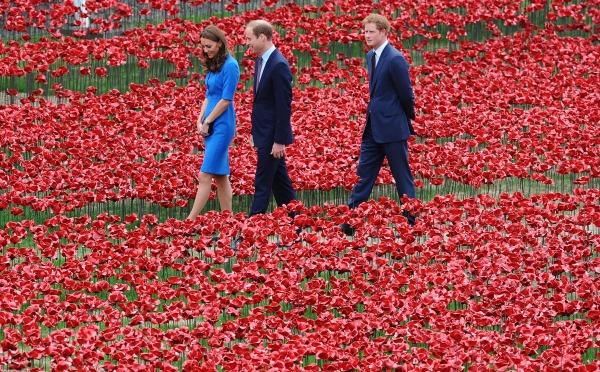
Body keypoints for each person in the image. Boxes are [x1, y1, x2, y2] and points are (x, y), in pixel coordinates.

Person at [341, 14, 416, 235]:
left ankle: (411, 221)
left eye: (372, 31)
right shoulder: (371, 56)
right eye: (365, 32)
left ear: (384, 32)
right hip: (374, 127)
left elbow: (406, 94)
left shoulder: (395, 59)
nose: (367, 36)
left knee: (402, 176)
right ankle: (351, 222)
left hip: (392, 128)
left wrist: (405, 118)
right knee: (363, 174)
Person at [187, 25, 240, 220]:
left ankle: (190, 221)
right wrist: (199, 120)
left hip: (221, 125)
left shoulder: (231, 65)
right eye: (203, 47)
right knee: (220, 176)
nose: (206, 50)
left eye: (209, 46)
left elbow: (226, 99)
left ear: (220, 43)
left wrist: (208, 121)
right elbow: (208, 96)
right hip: (209, 124)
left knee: (204, 175)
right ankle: (230, 220)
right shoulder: (214, 65)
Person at [244, 20, 296, 216]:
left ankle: (250, 229)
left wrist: (280, 140)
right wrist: (254, 132)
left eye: (249, 39)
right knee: (280, 183)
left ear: (262, 37)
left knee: (262, 182)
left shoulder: (278, 64)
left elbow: (284, 106)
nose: (247, 43)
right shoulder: (261, 60)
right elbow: (261, 102)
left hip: (272, 136)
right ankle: (297, 223)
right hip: (263, 132)